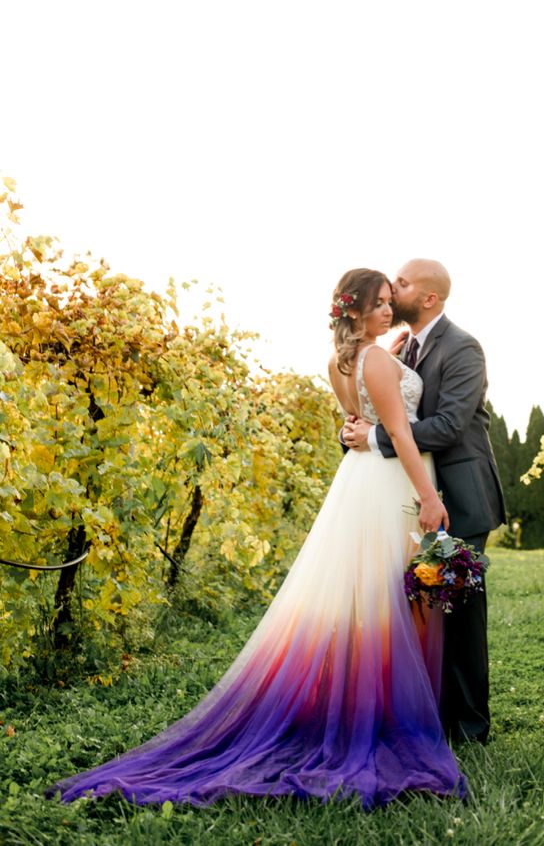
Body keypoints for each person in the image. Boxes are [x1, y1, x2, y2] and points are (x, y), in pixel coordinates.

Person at [49, 268, 466, 808]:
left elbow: (354, 423)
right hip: (390, 484)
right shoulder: (381, 359)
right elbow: (400, 433)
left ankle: (364, 707)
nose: (389, 312)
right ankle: (385, 719)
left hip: (358, 482)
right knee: (394, 599)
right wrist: (429, 498)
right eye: (380, 304)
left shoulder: (340, 362)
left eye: (392, 302)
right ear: (356, 311)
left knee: (368, 599)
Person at [343, 259, 506, 744]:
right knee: (424, 609)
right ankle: (434, 715)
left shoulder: (462, 348)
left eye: (404, 283)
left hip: (461, 494)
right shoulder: (399, 347)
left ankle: (472, 727)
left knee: (460, 613)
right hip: (414, 494)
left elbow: (449, 426)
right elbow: (388, 406)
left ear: (430, 298)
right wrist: (357, 429)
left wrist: (375, 436)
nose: (394, 288)